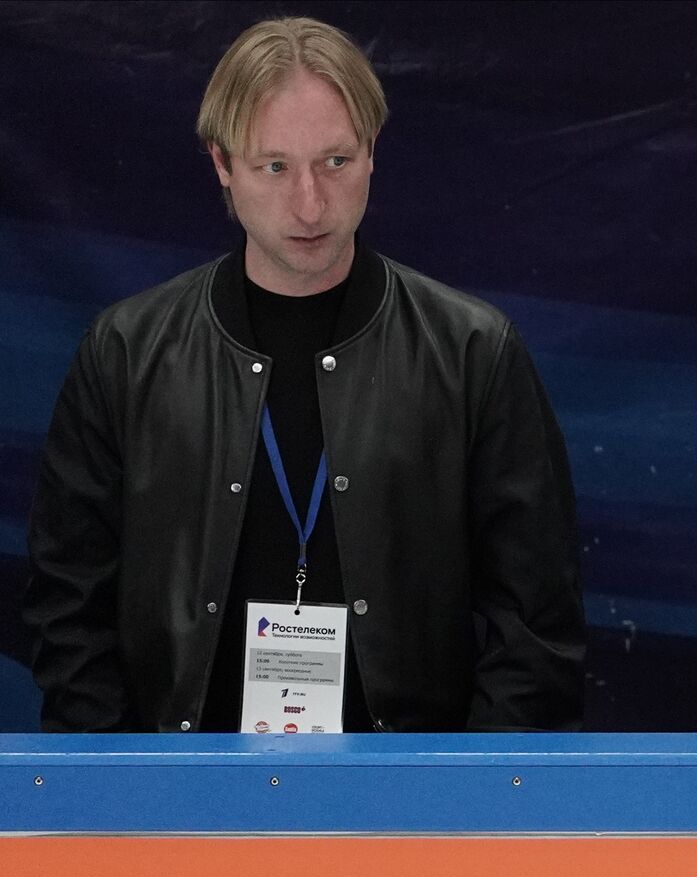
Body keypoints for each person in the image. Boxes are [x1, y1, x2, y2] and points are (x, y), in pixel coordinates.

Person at [23, 17, 585, 733]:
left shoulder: (473, 352)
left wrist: (457, 804)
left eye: (336, 162)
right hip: (181, 804)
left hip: (406, 812)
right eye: (275, 167)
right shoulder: (127, 352)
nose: (311, 204)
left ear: (373, 153)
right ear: (222, 163)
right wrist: (130, 794)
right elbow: (68, 604)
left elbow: (535, 621)